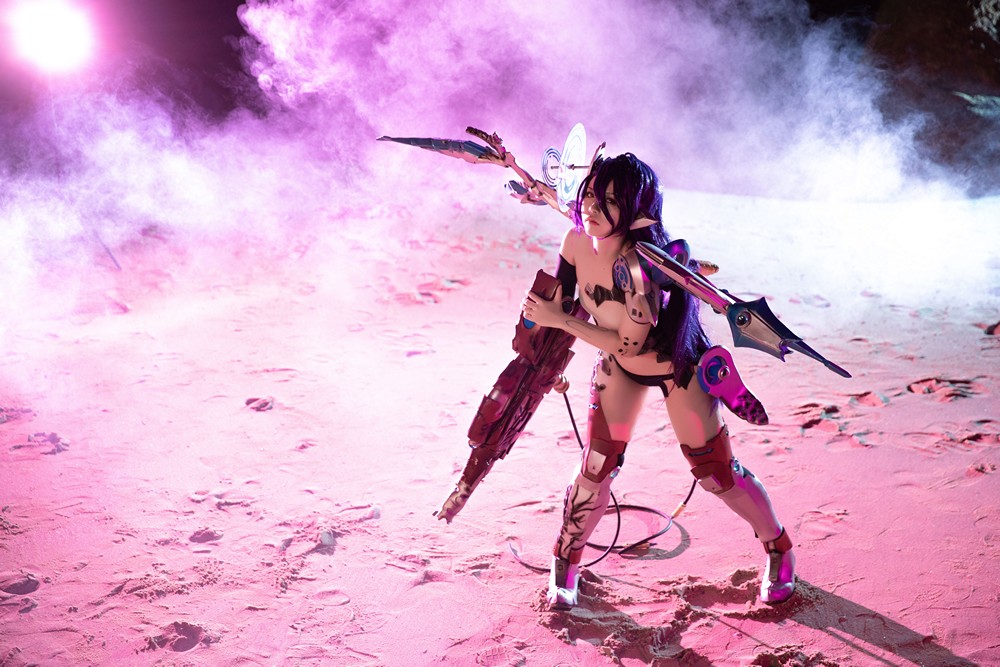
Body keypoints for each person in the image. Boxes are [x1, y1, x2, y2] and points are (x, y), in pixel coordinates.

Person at [519, 152, 795, 610]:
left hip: (677, 367)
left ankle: (778, 548)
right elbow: (563, 304)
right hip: (619, 368)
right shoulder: (575, 241)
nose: (592, 208)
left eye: (610, 201)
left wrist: (557, 320)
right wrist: (540, 329)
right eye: (591, 195)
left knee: (716, 473)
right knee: (595, 466)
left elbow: (628, 342)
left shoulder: (640, 266)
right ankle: (565, 561)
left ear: (635, 210)